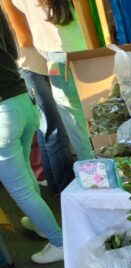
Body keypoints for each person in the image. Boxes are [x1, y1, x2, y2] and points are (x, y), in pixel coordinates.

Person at [0, 7, 64, 263]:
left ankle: (59, 242)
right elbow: (14, 50)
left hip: (3, 113)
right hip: (21, 99)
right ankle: (40, 224)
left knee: (21, 189)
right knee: (25, 175)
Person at [1, 0, 74, 197]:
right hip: (30, 65)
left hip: (36, 63)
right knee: (53, 130)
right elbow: (23, 39)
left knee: (46, 130)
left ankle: (58, 189)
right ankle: (67, 190)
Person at [12, 0, 94, 161]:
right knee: (109, 120)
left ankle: (91, 171)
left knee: (78, 132)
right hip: (91, 51)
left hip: (56, 60)